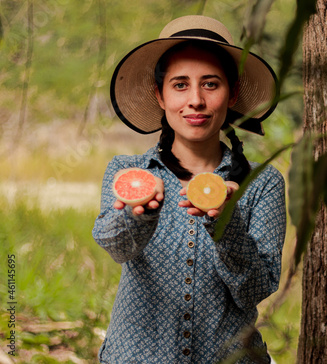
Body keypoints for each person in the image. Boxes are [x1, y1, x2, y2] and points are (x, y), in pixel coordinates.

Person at [92, 15, 286, 363]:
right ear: (160, 95)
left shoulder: (263, 183)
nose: (195, 100)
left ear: (232, 94)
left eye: (210, 84)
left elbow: (254, 290)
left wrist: (227, 225)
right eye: (180, 85)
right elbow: (116, 245)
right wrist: (141, 215)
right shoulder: (128, 172)